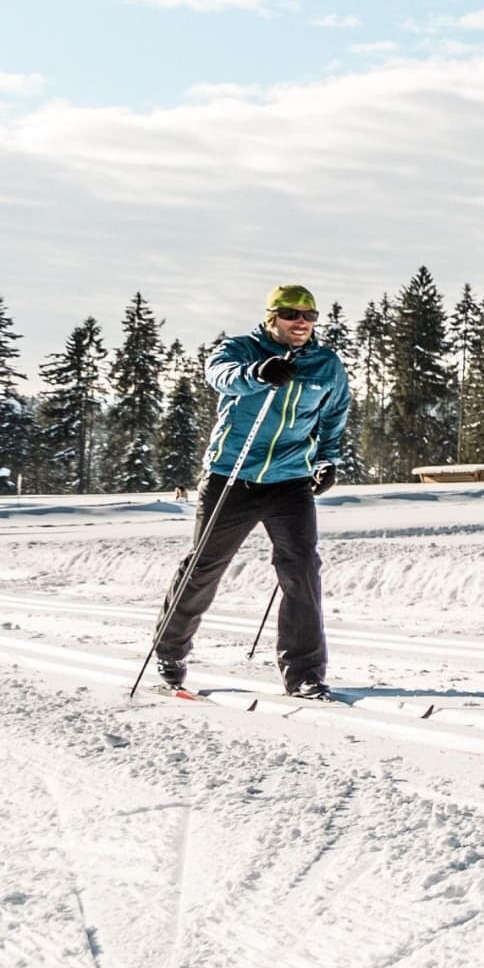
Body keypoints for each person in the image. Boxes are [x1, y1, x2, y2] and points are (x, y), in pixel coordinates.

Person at [150, 283, 348, 698]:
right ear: (272, 316)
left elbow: (333, 418)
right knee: (204, 566)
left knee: (302, 571)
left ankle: (305, 673)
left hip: (290, 479)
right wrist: (257, 374)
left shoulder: (326, 365)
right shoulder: (240, 349)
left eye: (310, 316)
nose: (302, 323)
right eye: (292, 314)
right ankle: (170, 651)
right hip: (231, 475)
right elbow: (219, 376)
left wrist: (327, 460)